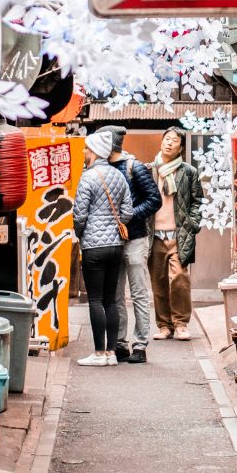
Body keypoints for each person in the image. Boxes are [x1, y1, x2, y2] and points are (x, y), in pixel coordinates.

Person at [96, 125, 162, 364]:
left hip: (135, 238)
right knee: (114, 295)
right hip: (113, 240)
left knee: (138, 293)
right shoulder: (100, 168)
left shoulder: (135, 167)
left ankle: (140, 344)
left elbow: (155, 200)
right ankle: (120, 342)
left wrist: (129, 215)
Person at [72, 129, 132, 367]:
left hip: (94, 247)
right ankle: (111, 353)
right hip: (116, 246)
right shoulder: (118, 176)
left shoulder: (88, 177)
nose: (85, 152)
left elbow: (79, 214)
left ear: (95, 150)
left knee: (95, 300)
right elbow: (127, 212)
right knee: (111, 300)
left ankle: (98, 353)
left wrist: (81, 233)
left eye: (87, 148)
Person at [149, 127, 203, 340]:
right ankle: (164, 325)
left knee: (180, 278)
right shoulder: (149, 170)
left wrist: (192, 223)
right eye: (166, 139)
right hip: (154, 235)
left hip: (179, 234)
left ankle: (180, 324)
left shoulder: (188, 172)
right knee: (158, 280)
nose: (169, 143)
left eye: (174, 140)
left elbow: (198, 200)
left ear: (181, 147)